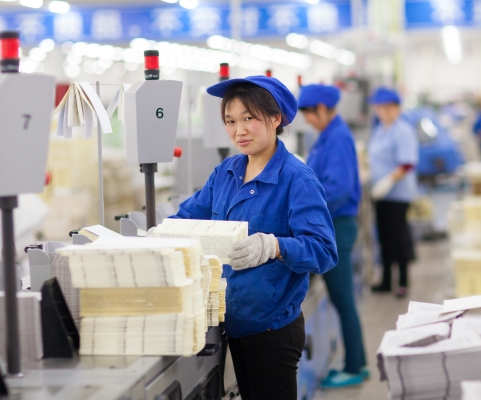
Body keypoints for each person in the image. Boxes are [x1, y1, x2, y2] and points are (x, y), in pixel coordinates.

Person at [171, 76, 338, 400]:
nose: (239, 130)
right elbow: (188, 217)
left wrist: (274, 246)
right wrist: (156, 236)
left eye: (249, 118)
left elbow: (324, 250)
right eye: (231, 121)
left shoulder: (296, 179)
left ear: (275, 118)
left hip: (272, 330)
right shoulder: (226, 172)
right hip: (229, 324)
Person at [297, 84, 368, 388]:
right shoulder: (327, 136)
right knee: (342, 298)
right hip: (331, 226)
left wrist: (304, 209)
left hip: (336, 228)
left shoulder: (336, 137)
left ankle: (355, 366)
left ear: (322, 109)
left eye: (310, 115)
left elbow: (336, 189)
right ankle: (355, 361)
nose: (309, 121)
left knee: (343, 299)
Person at [368, 87, 418, 298]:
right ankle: (387, 280)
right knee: (385, 237)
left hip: (398, 194)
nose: (382, 111)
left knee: (398, 237)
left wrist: (388, 181)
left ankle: (403, 282)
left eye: (386, 107)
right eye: (379, 108)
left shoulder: (403, 131)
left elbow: (407, 164)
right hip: (381, 194)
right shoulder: (380, 129)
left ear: (396, 108)